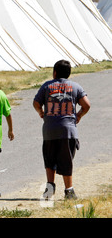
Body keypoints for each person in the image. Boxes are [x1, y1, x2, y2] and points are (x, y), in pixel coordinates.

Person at [33, 60, 91, 200]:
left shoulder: (47, 86)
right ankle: (69, 191)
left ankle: (49, 189)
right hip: (68, 131)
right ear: (69, 73)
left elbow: (36, 102)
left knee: (49, 159)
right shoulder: (75, 86)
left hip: (49, 130)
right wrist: (79, 115)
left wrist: (41, 112)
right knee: (67, 160)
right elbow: (86, 105)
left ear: (55, 72)